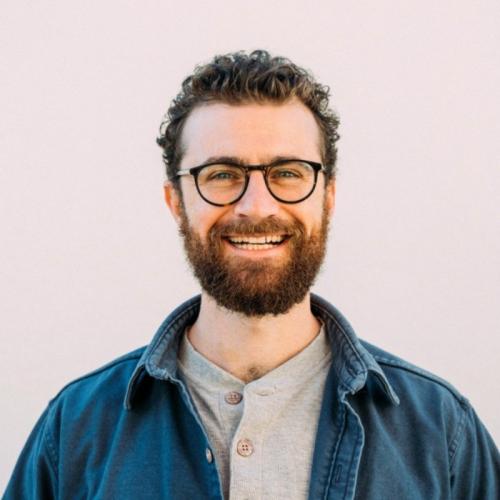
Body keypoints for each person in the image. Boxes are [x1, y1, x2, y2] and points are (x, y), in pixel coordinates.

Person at [4, 50, 499, 500]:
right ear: (176, 202)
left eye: (288, 173)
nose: (257, 206)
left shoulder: (440, 432)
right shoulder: (76, 430)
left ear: (328, 197)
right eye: (221, 175)